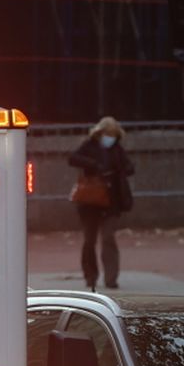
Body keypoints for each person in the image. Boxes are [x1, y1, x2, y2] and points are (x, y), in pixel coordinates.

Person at [68, 116, 135, 291]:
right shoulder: (89, 145)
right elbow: (73, 158)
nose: (109, 138)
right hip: (90, 201)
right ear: (100, 132)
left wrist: (122, 170)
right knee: (89, 240)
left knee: (108, 237)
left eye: (113, 135)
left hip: (112, 201)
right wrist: (94, 165)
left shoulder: (117, 149)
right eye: (107, 134)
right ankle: (90, 276)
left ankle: (111, 278)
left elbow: (129, 167)